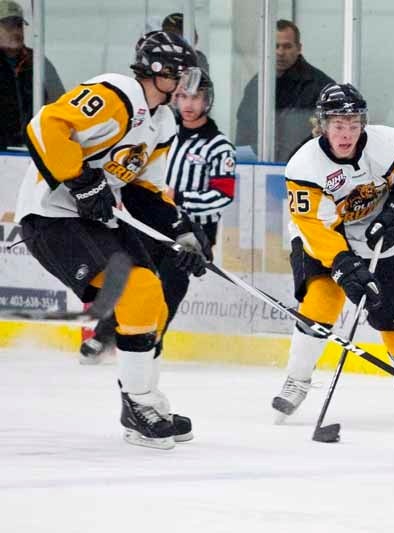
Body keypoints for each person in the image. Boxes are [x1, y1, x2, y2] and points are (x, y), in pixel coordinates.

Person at [14, 30, 209, 450]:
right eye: (182, 75)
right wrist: (82, 181)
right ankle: (139, 406)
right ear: (158, 72)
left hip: (97, 218)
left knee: (153, 299)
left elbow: (143, 189)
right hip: (51, 216)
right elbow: (46, 125)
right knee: (136, 289)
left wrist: (183, 232)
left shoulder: (162, 122)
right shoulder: (118, 94)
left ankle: (146, 401)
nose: (187, 86)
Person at [272, 82, 394, 421]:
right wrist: (343, 264)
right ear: (323, 125)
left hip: (377, 237)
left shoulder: (391, 144)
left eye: (354, 125)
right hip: (323, 237)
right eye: (338, 125)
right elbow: (314, 227)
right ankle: (296, 380)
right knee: (322, 300)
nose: (346, 134)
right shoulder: (304, 166)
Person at [80, 70, 234, 364]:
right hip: (154, 224)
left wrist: (183, 200)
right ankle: (103, 334)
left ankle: (153, 341)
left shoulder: (218, 145)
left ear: (208, 100)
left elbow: (223, 194)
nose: (189, 104)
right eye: (183, 96)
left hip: (192, 230)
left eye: (196, 97)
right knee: (138, 277)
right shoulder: (161, 130)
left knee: (173, 284)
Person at [235, 19, 334, 162]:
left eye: (287, 46)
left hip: (306, 167)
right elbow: (243, 133)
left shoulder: (321, 86)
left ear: (299, 48)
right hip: (260, 167)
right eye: (275, 46)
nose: (280, 52)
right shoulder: (256, 85)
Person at [0, 0, 64, 149]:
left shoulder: (35, 60)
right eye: (8, 25)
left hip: (30, 149)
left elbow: (58, 101)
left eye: (18, 24)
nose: (16, 31)